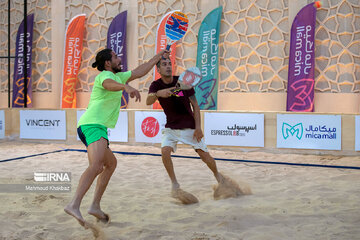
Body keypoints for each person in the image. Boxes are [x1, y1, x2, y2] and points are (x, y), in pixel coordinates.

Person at [64, 48, 169, 227]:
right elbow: (108, 85)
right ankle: (74, 205)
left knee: (111, 164)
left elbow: (140, 71)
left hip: (99, 127)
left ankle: (95, 206)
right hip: (91, 124)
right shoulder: (104, 76)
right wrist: (125, 87)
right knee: (96, 166)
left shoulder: (118, 76)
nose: (119, 60)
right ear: (107, 63)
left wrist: (158, 57)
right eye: (115, 57)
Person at [146, 57, 250, 204]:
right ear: (158, 70)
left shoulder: (184, 82)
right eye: (164, 64)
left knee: (205, 157)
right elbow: (148, 101)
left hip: (189, 126)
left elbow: (195, 105)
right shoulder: (155, 85)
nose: (168, 66)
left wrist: (198, 127)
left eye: (170, 64)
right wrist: (158, 94)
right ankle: (175, 184)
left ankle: (219, 178)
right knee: (165, 152)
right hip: (171, 127)